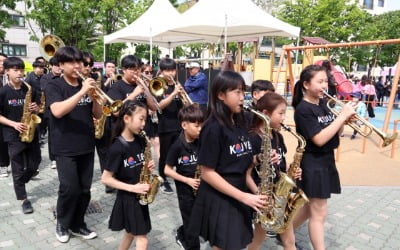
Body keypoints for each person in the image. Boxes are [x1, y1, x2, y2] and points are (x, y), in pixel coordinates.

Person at [187, 71, 267, 250]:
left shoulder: (239, 122)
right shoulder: (213, 128)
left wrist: (259, 158)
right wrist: (244, 197)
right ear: (221, 95)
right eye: (237, 92)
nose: (242, 97)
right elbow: (207, 173)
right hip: (221, 197)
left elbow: (236, 158)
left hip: (238, 193)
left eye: (243, 92)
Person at [291, 65, 355, 250]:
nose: (324, 85)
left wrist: (343, 121)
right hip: (313, 162)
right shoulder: (303, 109)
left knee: (309, 208)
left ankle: (285, 232)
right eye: (319, 81)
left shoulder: (323, 104)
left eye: (326, 81)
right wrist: (340, 118)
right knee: (319, 213)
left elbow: (336, 132)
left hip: (326, 160)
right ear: (306, 84)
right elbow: (319, 139)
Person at [45, 46, 102, 243]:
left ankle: (78, 223)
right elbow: (57, 111)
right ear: (61, 65)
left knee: (85, 189)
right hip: (64, 146)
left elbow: (98, 114)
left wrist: (95, 98)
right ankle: (62, 222)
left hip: (86, 144)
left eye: (80, 62)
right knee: (69, 188)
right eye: (72, 62)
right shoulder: (53, 85)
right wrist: (83, 91)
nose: (78, 66)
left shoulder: (85, 83)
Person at [247, 92, 302, 250]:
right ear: (265, 113)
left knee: (290, 241)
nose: (284, 118)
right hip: (264, 197)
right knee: (258, 240)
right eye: (281, 113)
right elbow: (245, 173)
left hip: (280, 196)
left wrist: (293, 171)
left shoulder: (277, 136)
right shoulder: (252, 138)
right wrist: (259, 195)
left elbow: (281, 167)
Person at [101, 100, 154, 250]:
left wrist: (148, 167)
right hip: (129, 198)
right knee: (142, 240)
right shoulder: (117, 148)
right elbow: (105, 179)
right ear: (126, 118)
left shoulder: (140, 141)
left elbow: (139, 165)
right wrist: (132, 188)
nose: (144, 124)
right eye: (141, 119)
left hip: (138, 196)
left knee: (130, 233)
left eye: (145, 119)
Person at [0, 57, 41, 213]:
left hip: (30, 132)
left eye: (21, 70)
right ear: (7, 71)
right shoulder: (3, 92)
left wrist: (36, 107)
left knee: (35, 162)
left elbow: (39, 109)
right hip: (12, 134)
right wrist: (14, 124)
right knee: (17, 168)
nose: (19, 73)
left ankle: (22, 180)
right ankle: (24, 199)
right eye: (16, 70)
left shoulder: (29, 88)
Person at [164, 104, 204, 250]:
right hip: (185, 190)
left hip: (201, 188)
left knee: (198, 219)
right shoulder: (177, 146)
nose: (200, 129)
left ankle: (182, 233)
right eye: (197, 126)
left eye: (201, 126)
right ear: (184, 125)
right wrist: (187, 180)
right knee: (191, 224)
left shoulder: (201, 141)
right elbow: (167, 170)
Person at [156, 58, 184, 194]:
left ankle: (179, 175)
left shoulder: (177, 84)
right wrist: (174, 94)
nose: (170, 73)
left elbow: (183, 104)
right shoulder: (159, 85)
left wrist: (183, 95)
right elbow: (159, 106)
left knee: (179, 152)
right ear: (162, 71)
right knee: (165, 154)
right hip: (165, 126)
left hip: (179, 125)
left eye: (172, 70)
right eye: (167, 70)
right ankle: (162, 178)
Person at [40, 57, 62, 169]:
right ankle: (53, 159)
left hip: (64, 110)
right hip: (50, 111)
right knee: (52, 136)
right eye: (56, 65)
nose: (59, 68)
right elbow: (45, 89)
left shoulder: (65, 78)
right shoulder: (45, 78)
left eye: (60, 65)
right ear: (51, 66)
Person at [141, 64, 160, 160]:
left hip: (151, 119)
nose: (149, 74)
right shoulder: (139, 85)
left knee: (156, 142)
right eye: (146, 72)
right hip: (143, 119)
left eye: (151, 72)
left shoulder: (152, 84)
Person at [0, 53, 9, 177]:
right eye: (0, 61)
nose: (2, 63)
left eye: (4, 61)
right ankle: (3, 165)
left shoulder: (12, 77)